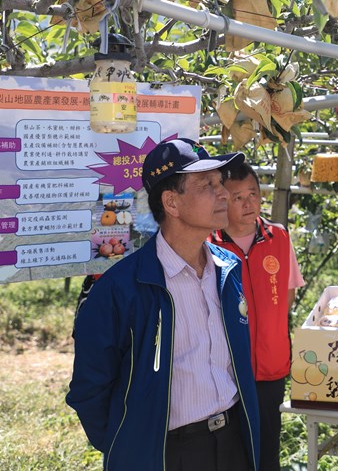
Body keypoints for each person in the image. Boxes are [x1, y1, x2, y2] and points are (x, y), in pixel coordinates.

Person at [67, 138, 260, 471]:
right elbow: (89, 391)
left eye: (220, 182)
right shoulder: (120, 289)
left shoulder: (228, 269)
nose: (224, 193)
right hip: (167, 453)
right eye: (207, 185)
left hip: (233, 443)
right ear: (172, 202)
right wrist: (130, 444)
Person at [210, 162, 305, 471]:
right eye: (238, 197)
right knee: (230, 450)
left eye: (253, 193)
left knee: (267, 449)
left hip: (271, 366)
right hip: (227, 369)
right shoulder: (209, 245)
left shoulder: (278, 238)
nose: (249, 203)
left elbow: (287, 296)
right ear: (223, 200)